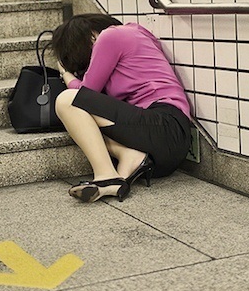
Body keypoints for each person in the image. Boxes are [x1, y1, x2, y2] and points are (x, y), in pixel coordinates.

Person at [52, 13, 192, 203]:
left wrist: (65, 74)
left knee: (66, 100)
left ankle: (105, 174)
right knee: (85, 119)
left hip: (165, 124)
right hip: (162, 150)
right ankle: (127, 162)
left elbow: (85, 92)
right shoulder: (135, 37)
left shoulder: (111, 36)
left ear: (91, 36)